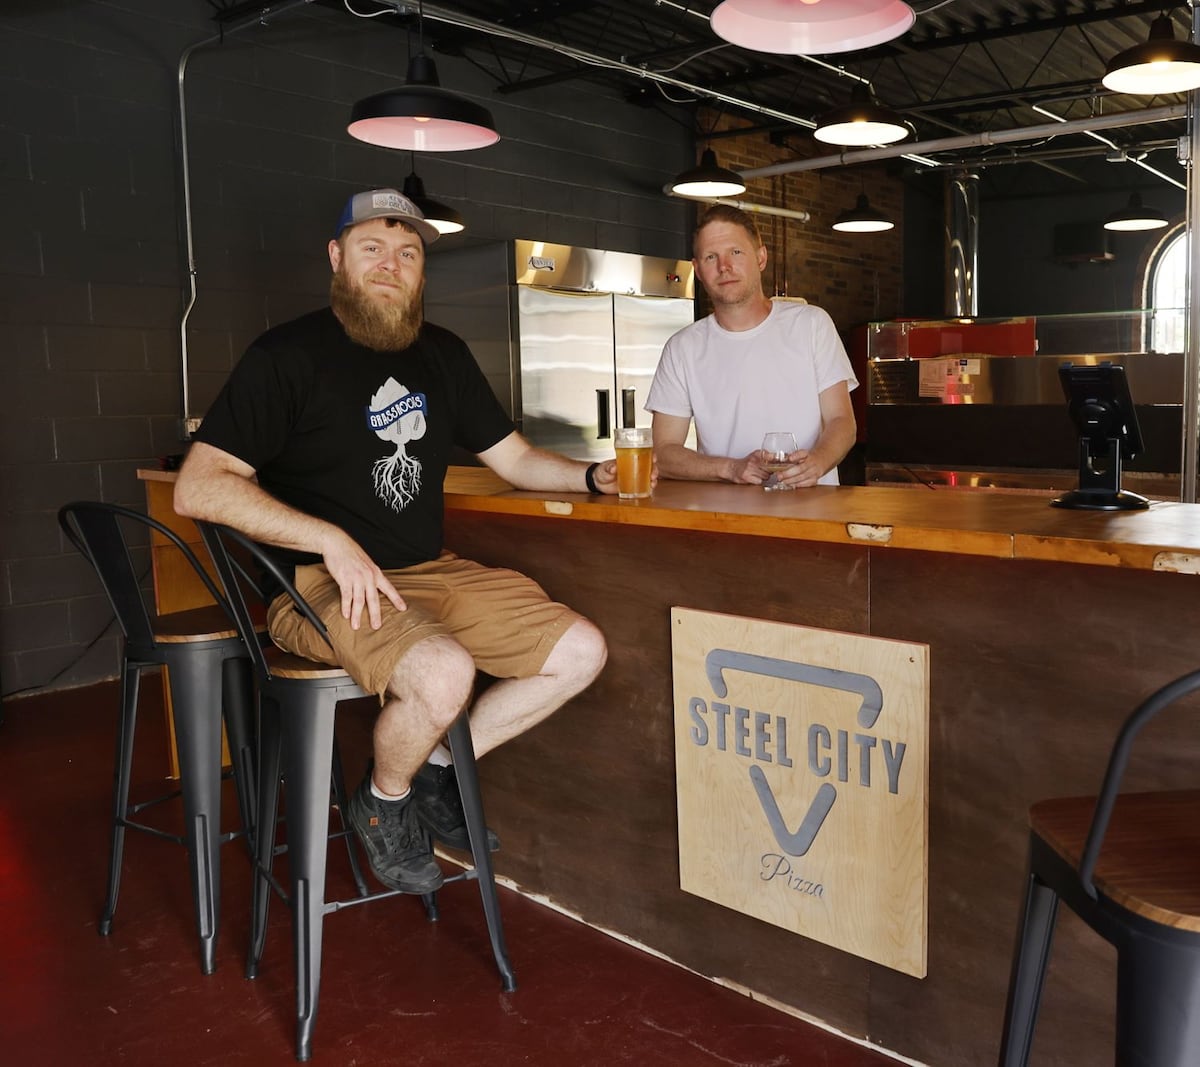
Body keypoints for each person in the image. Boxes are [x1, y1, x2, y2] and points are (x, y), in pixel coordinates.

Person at [174, 188, 615, 895]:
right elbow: (198, 486)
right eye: (372, 247)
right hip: (317, 584)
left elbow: (518, 461)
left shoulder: (443, 354)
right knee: (444, 674)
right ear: (337, 256)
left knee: (581, 651)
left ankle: (434, 768)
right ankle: (383, 803)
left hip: (428, 570)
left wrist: (596, 475)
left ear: (421, 272)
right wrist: (329, 540)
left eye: (408, 252)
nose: (391, 263)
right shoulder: (285, 355)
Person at [645, 204, 858, 487]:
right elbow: (664, 451)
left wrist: (817, 462)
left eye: (735, 252)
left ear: (760, 257)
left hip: (813, 512)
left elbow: (842, 421)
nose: (725, 267)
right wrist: (731, 468)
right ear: (697, 270)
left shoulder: (811, 324)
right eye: (711, 257)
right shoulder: (682, 348)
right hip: (726, 520)